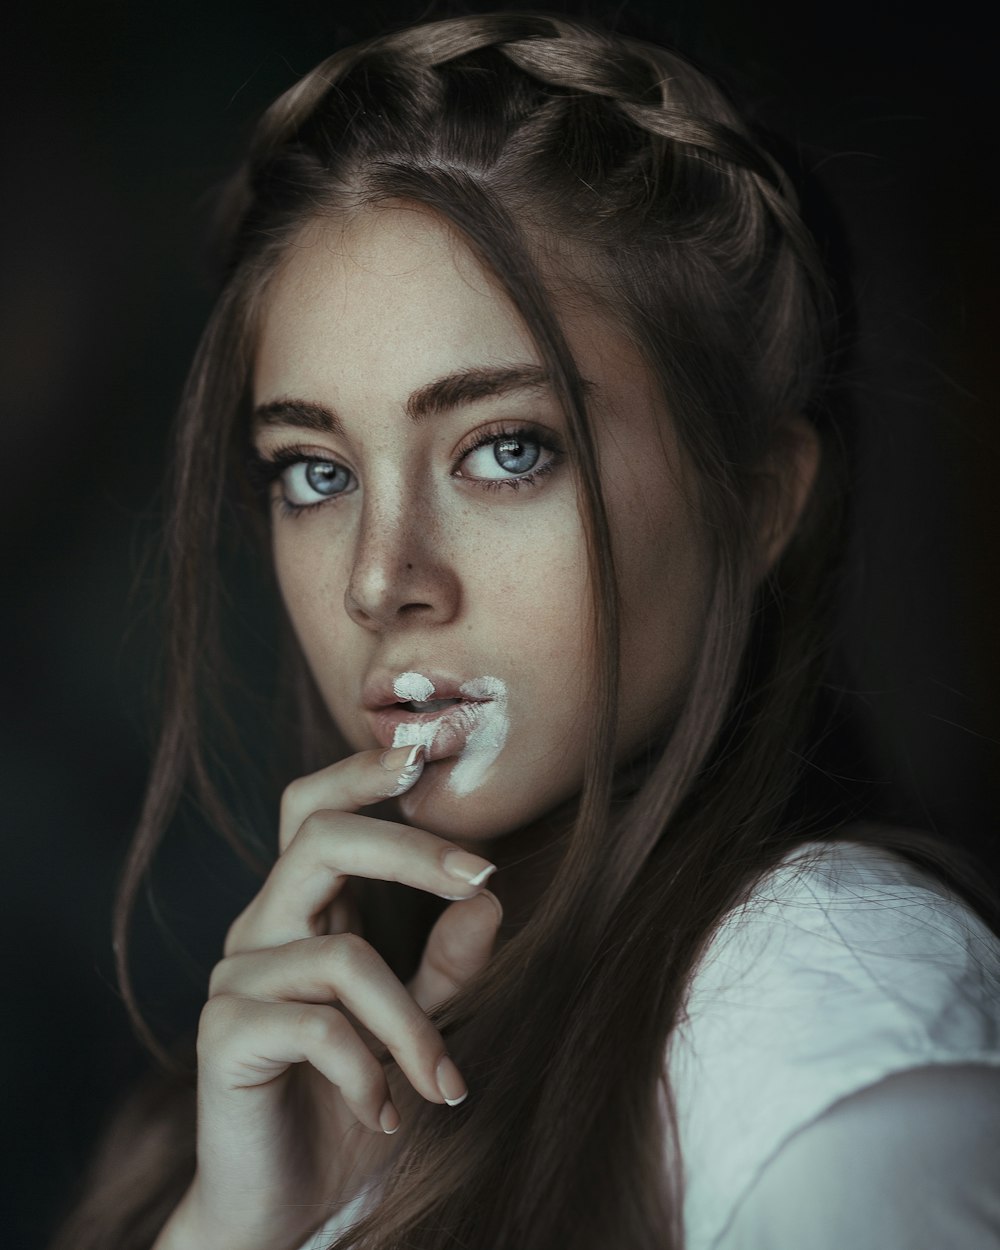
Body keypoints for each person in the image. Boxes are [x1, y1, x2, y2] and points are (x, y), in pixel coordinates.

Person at [50, 11, 1000, 1250]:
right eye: (314, 473)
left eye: (506, 450)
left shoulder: (823, 1008)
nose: (381, 579)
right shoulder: (292, 1081)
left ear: (757, 498)